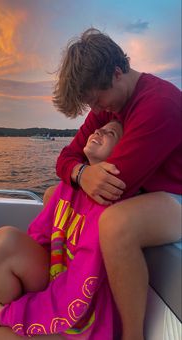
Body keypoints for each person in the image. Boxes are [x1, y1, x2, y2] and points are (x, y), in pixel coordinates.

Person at [52, 28, 182, 340]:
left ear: (117, 73)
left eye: (97, 100)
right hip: (145, 193)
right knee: (52, 195)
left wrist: (86, 174)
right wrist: (82, 174)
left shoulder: (159, 103)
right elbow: (65, 159)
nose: (96, 112)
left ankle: (131, 335)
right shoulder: (108, 105)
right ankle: (63, 292)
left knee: (115, 224)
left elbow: (114, 187)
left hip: (176, 195)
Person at [0, 121, 124, 340]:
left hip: (78, 322)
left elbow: (74, 291)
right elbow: (38, 238)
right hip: (49, 293)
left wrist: (6, 314)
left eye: (110, 133)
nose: (98, 131)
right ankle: (10, 322)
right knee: (1, 242)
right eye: (98, 128)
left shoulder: (108, 212)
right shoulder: (68, 189)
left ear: (123, 152)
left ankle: (10, 323)